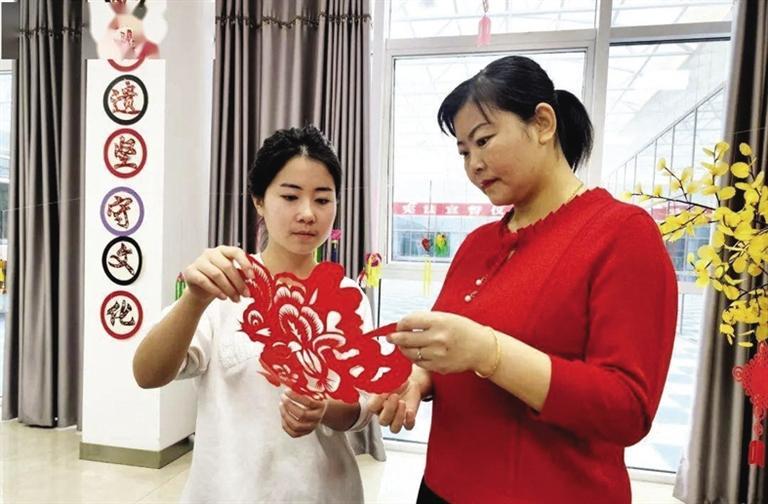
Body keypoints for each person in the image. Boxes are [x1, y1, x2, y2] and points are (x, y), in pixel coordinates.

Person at [369, 55, 678, 503]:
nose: (474, 164)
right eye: (464, 152)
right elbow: (446, 350)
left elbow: (627, 408)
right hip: (442, 485)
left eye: (484, 140)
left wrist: (489, 352)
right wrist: (418, 378)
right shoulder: (477, 244)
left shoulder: (621, 233)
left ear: (543, 123)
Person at [133, 125, 373, 503]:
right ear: (258, 201)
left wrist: (323, 409)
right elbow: (148, 374)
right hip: (228, 491)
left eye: (323, 199)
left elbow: (359, 409)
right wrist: (194, 299)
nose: (307, 213)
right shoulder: (224, 283)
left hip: (322, 492)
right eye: (290, 196)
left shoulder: (349, 297)